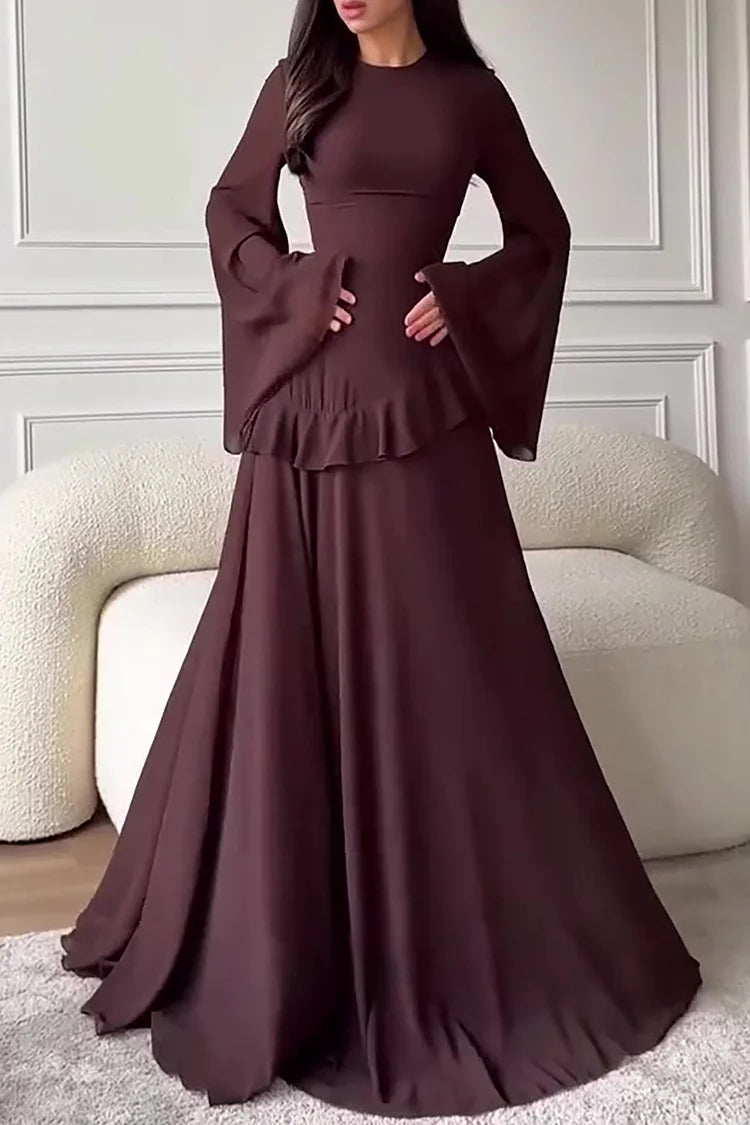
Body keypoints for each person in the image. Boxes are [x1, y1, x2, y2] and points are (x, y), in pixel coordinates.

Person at [59, 0, 702, 1116]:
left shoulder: (470, 96)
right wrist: (297, 288)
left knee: (458, 665)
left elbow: (543, 232)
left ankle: (467, 940)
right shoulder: (301, 84)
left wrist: (464, 294)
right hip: (307, 422)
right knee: (284, 670)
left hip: (426, 420)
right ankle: (291, 943)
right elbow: (230, 210)